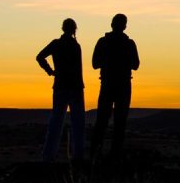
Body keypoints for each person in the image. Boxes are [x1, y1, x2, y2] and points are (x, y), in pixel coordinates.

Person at [90, 13, 140, 162]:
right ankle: (114, 156)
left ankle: (96, 154)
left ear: (112, 24)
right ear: (124, 26)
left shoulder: (103, 42)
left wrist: (108, 62)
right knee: (120, 122)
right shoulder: (129, 44)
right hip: (123, 86)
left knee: (102, 120)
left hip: (107, 84)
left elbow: (94, 63)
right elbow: (136, 65)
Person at [36, 18, 86, 162]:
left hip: (60, 86)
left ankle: (48, 156)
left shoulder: (56, 44)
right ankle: (78, 157)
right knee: (78, 123)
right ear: (74, 29)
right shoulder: (76, 46)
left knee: (56, 122)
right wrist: (50, 71)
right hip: (75, 87)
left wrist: (51, 71)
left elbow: (39, 57)